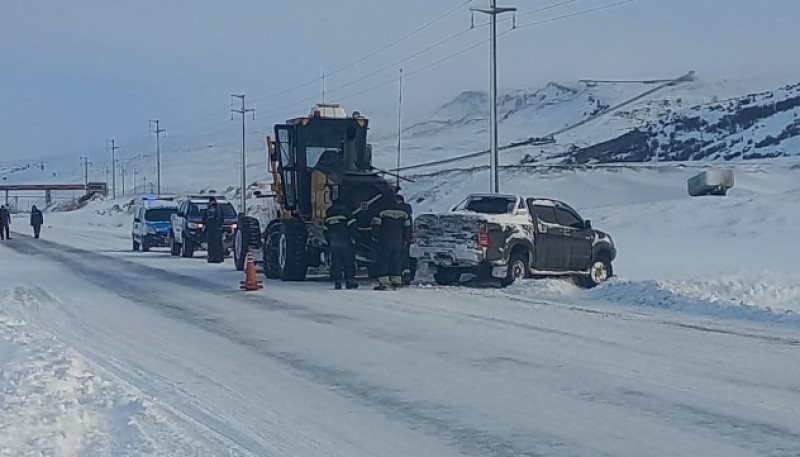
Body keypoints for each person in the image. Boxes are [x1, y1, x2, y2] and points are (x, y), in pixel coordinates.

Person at [371, 191, 412, 290]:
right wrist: (406, 240)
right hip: (398, 241)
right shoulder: (404, 212)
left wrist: (375, 237)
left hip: (385, 240)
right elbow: (408, 228)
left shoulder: (381, 210)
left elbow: (376, 226)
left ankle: (384, 282)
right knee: (396, 260)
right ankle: (396, 281)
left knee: (383, 260)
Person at [324, 195, 359, 290]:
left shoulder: (329, 213)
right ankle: (349, 281)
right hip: (344, 241)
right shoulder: (345, 212)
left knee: (336, 262)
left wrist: (329, 241)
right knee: (348, 261)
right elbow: (353, 226)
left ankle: (337, 282)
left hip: (333, 242)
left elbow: (325, 231)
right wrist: (356, 237)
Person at [396, 192, 414, 282]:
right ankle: (406, 274)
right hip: (404, 237)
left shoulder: (397, 211)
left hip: (396, 236)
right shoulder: (407, 211)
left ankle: (399, 274)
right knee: (405, 256)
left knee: (397, 256)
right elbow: (409, 226)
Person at [203, 197, 225, 263]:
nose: (212, 203)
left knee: (218, 245)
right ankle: (211, 258)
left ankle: (218, 258)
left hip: (216, 229)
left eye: (213, 201)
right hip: (210, 229)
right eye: (211, 201)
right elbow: (204, 218)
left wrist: (219, 225)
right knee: (211, 245)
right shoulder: (207, 209)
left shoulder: (218, 209)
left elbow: (221, 219)